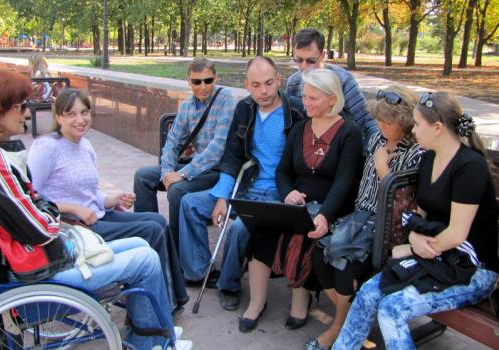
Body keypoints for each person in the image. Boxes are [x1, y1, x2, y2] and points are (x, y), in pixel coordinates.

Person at [0, 68, 191, 350]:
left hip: (34, 259)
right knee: (146, 259)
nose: (26, 113)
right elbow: (40, 227)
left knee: (142, 240)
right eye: (19, 106)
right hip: (45, 267)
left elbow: (34, 207)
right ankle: (150, 340)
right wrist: (56, 210)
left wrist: (47, 207)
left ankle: (151, 331)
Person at [333, 91, 499, 350]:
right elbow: (419, 214)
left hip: (471, 269)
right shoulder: (430, 158)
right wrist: (413, 236)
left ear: (437, 128)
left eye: (418, 124)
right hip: (434, 257)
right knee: (367, 292)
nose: (414, 129)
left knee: (392, 308)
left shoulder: (470, 167)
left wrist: (411, 248)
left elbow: (457, 234)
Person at [27, 88, 189, 312]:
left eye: (84, 112)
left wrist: (113, 199)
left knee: (158, 220)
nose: (80, 119)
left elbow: (91, 193)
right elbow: (31, 198)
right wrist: (74, 208)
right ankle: (159, 304)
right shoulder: (46, 147)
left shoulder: (85, 146)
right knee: (152, 230)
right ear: (58, 117)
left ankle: (169, 297)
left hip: (96, 217)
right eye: (71, 114)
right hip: (73, 227)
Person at [238, 69, 363, 333]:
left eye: (313, 98)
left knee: (307, 236)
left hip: (332, 207)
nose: (305, 103)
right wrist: (286, 193)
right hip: (298, 204)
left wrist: (325, 214)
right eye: (304, 96)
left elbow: (344, 182)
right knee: (261, 231)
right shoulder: (299, 129)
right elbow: (283, 171)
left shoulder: (349, 132)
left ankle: (300, 301)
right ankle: (257, 302)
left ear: (332, 99)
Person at [177, 56, 304, 308]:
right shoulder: (244, 108)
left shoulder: (297, 112)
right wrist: (222, 196)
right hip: (243, 187)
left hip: (275, 194)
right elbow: (233, 155)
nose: (264, 91)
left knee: (237, 228)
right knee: (190, 203)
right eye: (256, 85)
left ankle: (229, 285)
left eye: (269, 83)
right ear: (247, 84)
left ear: (279, 80)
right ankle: (200, 273)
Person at [305, 85, 423, 349]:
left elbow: (404, 204)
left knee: (344, 265)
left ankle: (339, 329)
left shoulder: (416, 152)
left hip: (387, 227)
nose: (381, 124)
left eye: (387, 120)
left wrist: (384, 169)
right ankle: (353, 321)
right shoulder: (377, 139)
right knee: (319, 256)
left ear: (403, 121)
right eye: (378, 119)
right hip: (359, 216)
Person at [133, 57, 237, 249]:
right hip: (196, 168)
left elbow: (217, 149)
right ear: (188, 81)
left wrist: (181, 174)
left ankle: (175, 250)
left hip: (219, 171)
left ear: (216, 78)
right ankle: (148, 240)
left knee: (177, 190)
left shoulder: (227, 100)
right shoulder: (188, 106)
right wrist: (166, 173)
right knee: (143, 176)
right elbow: (172, 142)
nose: (203, 87)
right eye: (197, 82)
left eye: (208, 80)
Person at [286, 28, 377, 145]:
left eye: (310, 60)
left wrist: (375, 150)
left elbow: (366, 121)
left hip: (341, 147)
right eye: (298, 60)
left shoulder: (343, 80)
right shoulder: (293, 82)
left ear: (322, 55)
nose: (303, 66)